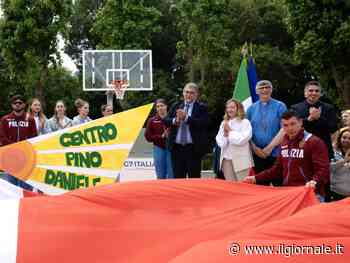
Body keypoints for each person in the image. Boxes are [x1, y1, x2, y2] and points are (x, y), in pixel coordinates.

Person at [243, 110, 330, 201]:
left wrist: (314, 182)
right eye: (285, 125)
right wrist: (255, 178)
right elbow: (277, 169)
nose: (290, 128)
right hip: (290, 193)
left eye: (293, 124)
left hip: (311, 193)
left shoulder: (314, 142)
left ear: (300, 122)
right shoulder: (284, 141)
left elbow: (323, 169)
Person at [164, 82, 209, 178]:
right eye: (187, 92)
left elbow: (204, 123)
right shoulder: (176, 105)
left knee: (194, 177)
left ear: (196, 94)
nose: (189, 95)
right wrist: (174, 121)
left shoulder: (202, 108)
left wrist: (187, 118)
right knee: (178, 178)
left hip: (193, 149)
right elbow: (166, 120)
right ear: (183, 93)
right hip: (176, 148)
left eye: (192, 93)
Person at [246, 80, 287, 184]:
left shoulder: (280, 106)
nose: (264, 90)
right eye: (261, 87)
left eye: (267, 87)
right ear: (256, 91)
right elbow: (246, 132)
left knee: (279, 184)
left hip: (276, 153)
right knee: (261, 186)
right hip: (257, 154)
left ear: (271, 89)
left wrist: (269, 148)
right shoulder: (250, 109)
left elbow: (284, 129)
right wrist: (255, 148)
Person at [291, 80, 337, 160]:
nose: (314, 93)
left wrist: (319, 118)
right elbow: (292, 128)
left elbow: (333, 128)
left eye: (317, 91)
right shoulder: (295, 108)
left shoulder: (329, 108)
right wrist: (309, 119)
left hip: (323, 149)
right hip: (301, 149)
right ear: (305, 93)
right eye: (310, 91)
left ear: (320, 94)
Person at [0, 94, 37, 186]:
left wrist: (23, 148)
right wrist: (15, 147)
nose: (17, 104)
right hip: (10, 157)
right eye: (15, 103)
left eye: (20, 102)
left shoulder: (30, 120)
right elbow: (2, 137)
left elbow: (34, 138)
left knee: (25, 187)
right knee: (11, 187)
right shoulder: (5, 119)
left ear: (24, 105)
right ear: (12, 105)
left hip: (26, 158)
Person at [215, 99, 253, 181]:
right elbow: (221, 143)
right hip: (226, 160)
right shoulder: (224, 123)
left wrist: (230, 132)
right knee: (231, 187)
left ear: (238, 108)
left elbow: (242, 140)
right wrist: (225, 135)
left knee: (243, 186)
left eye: (232, 107)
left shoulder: (245, 122)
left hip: (241, 160)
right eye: (228, 107)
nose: (229, 110)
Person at [145, 99, 174, 179]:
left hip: (171, 149)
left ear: (166, 106)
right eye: (158, 106)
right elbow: (148, 137)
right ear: (156, 109)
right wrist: (161, 136)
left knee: (172, 174)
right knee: (160, 175)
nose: (160, 108)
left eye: (162, 106)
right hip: (159, 148)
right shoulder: (152, 120)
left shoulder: (172, 119)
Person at [330, 128, 350, 200]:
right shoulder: (332, 150)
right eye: (344, 137)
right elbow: (330, 168)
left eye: (349, 138)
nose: (346, 140)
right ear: (339, 138)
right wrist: (344, 160)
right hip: (335, 191)